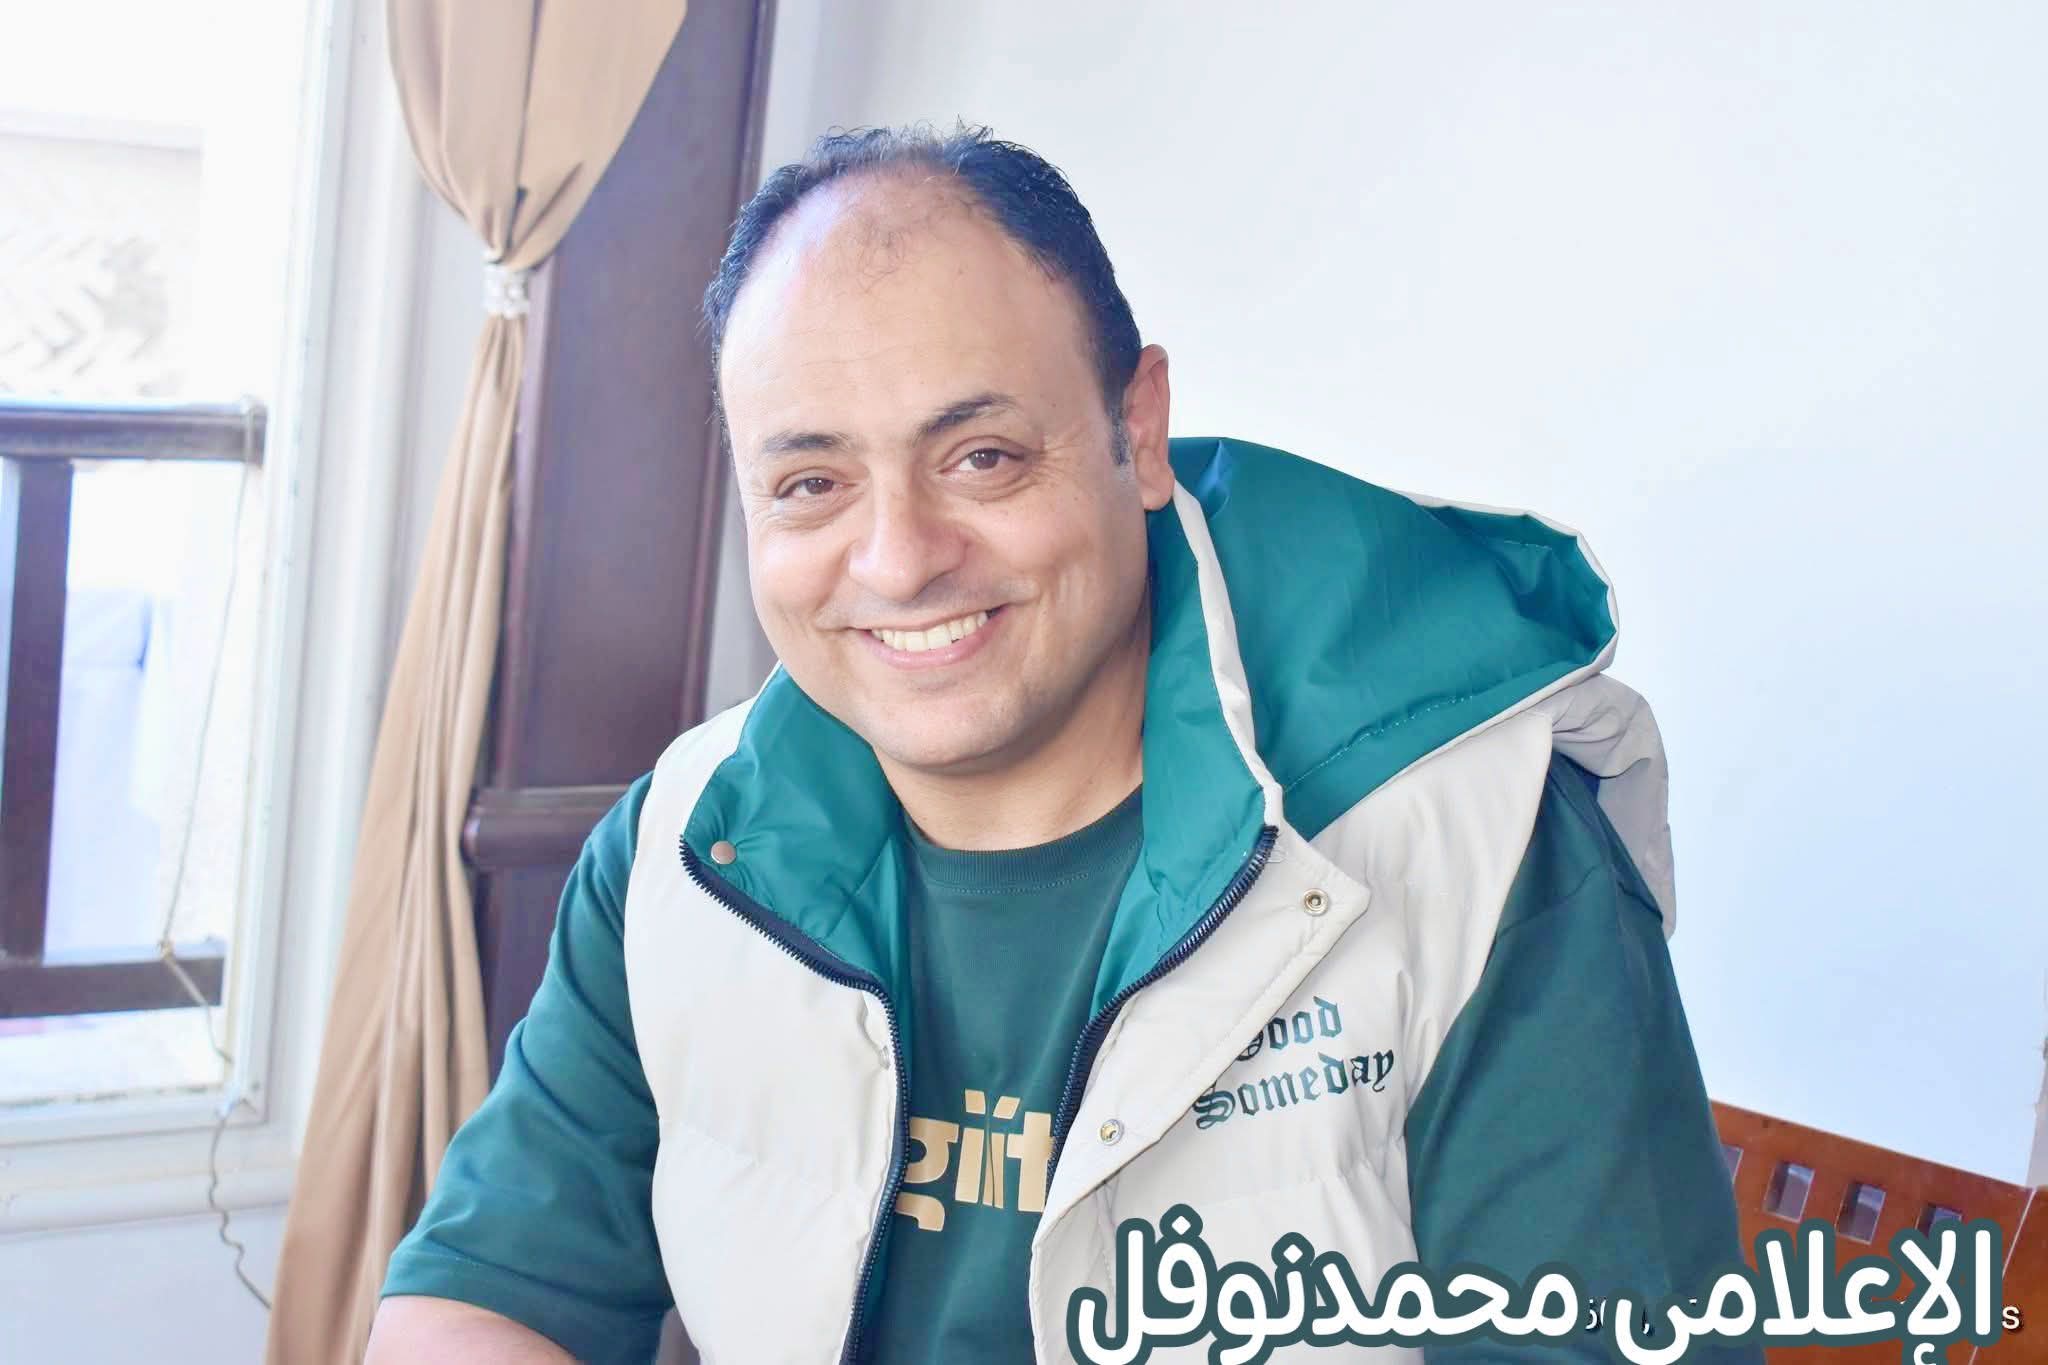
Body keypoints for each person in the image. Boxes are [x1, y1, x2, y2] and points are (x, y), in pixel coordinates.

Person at [367, 125, 1755, 1364]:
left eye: (981, 457)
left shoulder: (1487, 846)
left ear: (1135, 432)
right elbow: (483, 1296)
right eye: (811, 482)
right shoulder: (686, 844)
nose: (899, 558)